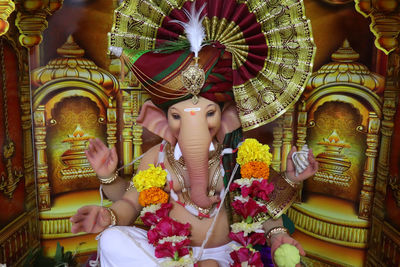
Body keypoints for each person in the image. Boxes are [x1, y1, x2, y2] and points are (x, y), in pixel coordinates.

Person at [71, 0, 317, 266]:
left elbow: (264, 207)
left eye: (208, 114)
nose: (194, 127)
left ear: (227, 119)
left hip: (229, 254)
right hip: (171, 256)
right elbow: (132, 203)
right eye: (178, 116)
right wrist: (111, 216)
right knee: (111, 239)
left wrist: (278, 233)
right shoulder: (157, 157)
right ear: (160, 122)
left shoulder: (242, 156)